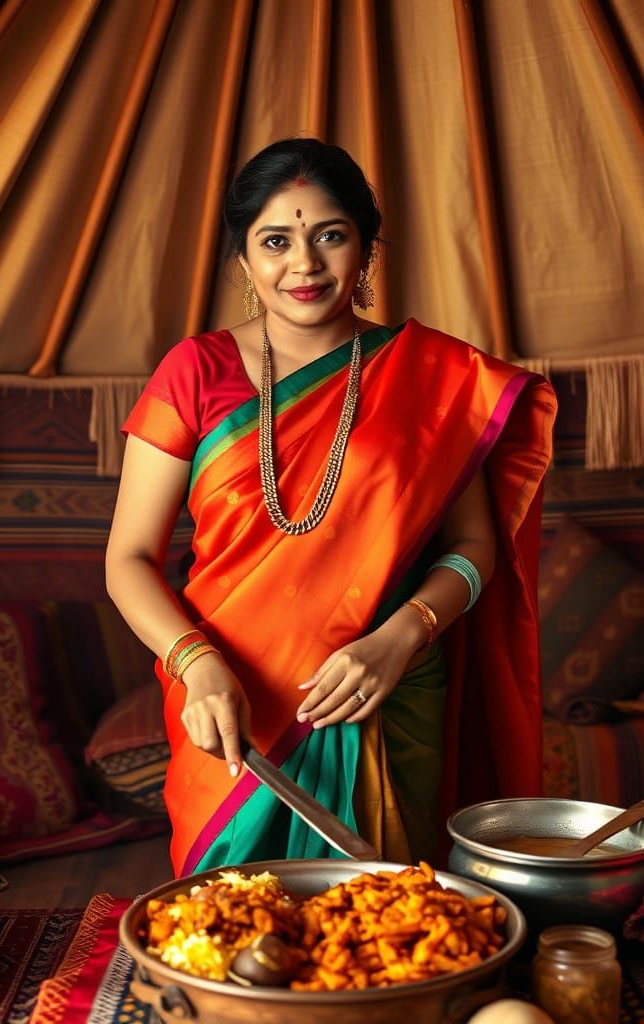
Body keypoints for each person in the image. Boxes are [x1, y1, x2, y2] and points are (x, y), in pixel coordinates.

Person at [105, 138, 556, 877]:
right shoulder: (195, 372)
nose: (305, 264)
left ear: (367, 249)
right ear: (244, 260)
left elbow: (473, 547)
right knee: (226, 934)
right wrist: (196, 664)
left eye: (331, 236)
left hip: (383, 692)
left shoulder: (434, 377)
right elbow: (127, 560)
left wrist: (401, 638)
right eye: (276, 241)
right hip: (231, 698)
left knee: (388, 931)